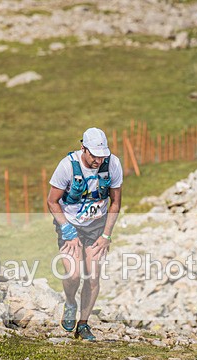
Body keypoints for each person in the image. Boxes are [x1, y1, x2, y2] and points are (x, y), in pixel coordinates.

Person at [47, 127, 123, 341]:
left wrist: (106, 235)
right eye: (94, 156)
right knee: (73, 275)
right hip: (70, 225)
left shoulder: (113, 164)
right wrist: (67, 229)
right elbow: (52, 201)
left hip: (96, 227)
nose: (98, 161)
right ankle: (70, 303)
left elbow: (116, 202)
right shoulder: (66, 167)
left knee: (92, 277)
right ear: (83, 148)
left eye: (102, 156)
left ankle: (83, 324)